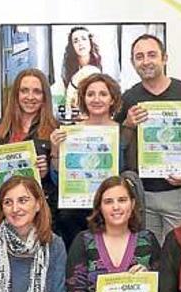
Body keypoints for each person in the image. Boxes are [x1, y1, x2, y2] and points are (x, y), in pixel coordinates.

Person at [115, 34, 181, 243]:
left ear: (165, 58)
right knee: (147, 254)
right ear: (133, 63)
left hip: (178, 192)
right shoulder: (128, 98)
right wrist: (126, 124)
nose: (146, 61)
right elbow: (117, 145)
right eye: (139, 56)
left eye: (152, 55)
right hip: (142, 193)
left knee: (179, 253)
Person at [50, 73, 127, 247]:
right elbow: (57, 180)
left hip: (113, 212)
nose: (96, 99)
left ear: (112, 99)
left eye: (103, 94)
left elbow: (128, 174)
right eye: (90, 94)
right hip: (75, 215)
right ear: (83, 99)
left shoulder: (124, 133)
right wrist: (55, 150)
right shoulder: (69, 133)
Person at [0, 68, 55, 213]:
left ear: (45, 96)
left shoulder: (55, 129)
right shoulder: (0, 126)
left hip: (40, 211)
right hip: (4, 208)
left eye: (37, 91)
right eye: (24, 90)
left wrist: (47, 172)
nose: (30, 97)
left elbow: (60, 181)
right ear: (16, 94)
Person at [61, 26, 103, 110]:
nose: (80, 43)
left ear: (90, 42)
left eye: (84, 39)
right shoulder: (68, 69)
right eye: (76, 41)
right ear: (72, 46)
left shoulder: (98, 68)